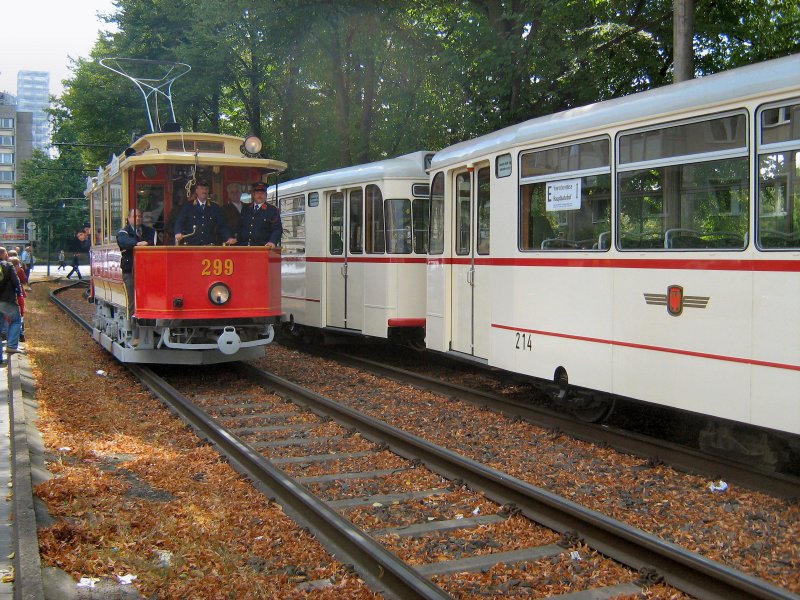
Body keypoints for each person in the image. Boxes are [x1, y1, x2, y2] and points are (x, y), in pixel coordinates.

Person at [117, 208, 156, 316]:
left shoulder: (150, 231)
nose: (138, 218)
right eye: (135, 216)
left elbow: (153, 243)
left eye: (139, 216)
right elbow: (124, 242)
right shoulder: (123, 232)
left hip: (147, 270)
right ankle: (133, 324)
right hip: (130, 270)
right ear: (129, 218)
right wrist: (138, 244)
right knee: (132, 300)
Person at [174, 180, 236, 246]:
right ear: (197, 191)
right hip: (192, 246)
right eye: (201, 189)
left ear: (208, 191)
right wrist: (178, 232)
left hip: (209, 246)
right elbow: (179, 221)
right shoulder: (188, 206)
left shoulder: (214, 207)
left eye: (206, 189)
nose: (204, 191)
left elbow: (222, 226)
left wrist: (228, 237)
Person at [236, 181, 282, 247]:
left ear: (266, 195)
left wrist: (272, 242)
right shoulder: (245, 209)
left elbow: (277, 229)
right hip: (244, 247)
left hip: (262, 248)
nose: (260, 195)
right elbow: (239, 227)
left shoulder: (272, 210)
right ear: (253, 194)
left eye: (262, 193)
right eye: (257, 193)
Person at [0, 247, 24, 364]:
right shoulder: (8, 266)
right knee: (16, 320)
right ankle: (12, 345)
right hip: (7, 300)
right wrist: (19, 294)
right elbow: (16, 282)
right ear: (3, 254)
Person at [8, 257, 27, 342]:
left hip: (10, 300)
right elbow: (23, 281)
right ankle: (19, 336)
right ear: (15, 266)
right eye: (18, 265)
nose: (19, 267)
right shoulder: (14, 276)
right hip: (14, 301)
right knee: (17, 320)